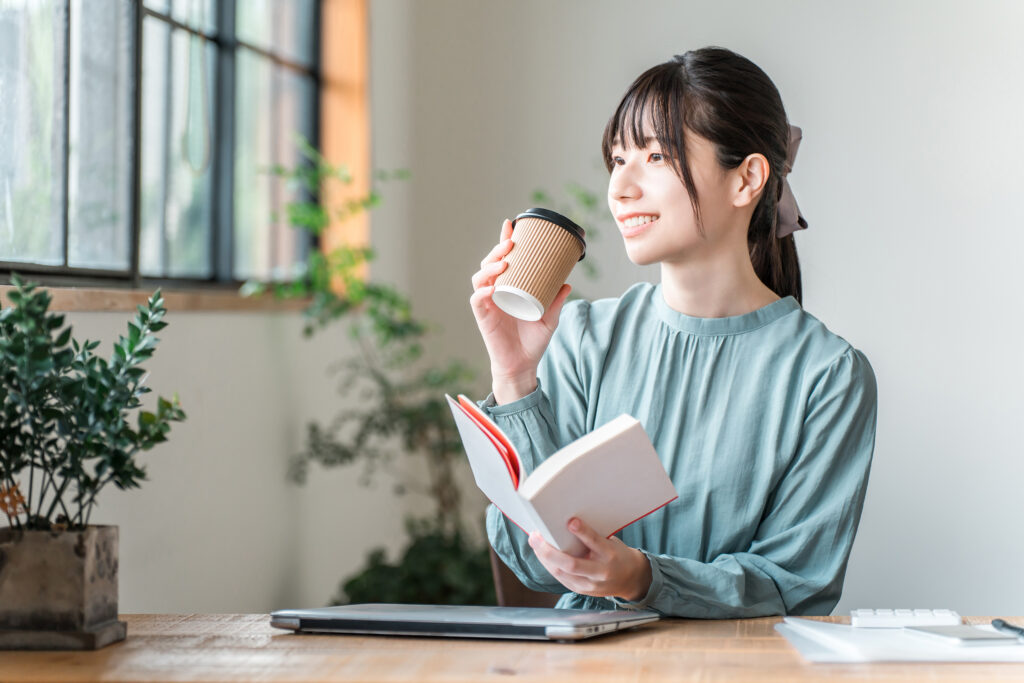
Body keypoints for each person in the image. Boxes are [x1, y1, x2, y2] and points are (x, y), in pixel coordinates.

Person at [468, 47, 877, 618]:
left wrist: (643, 577)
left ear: (747, 179)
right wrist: (514, 376)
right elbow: (534, 560)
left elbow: (796, 585)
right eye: (616, 159)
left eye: (656, 156)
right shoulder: (584, 337)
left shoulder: (827, 375)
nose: (620, 188)